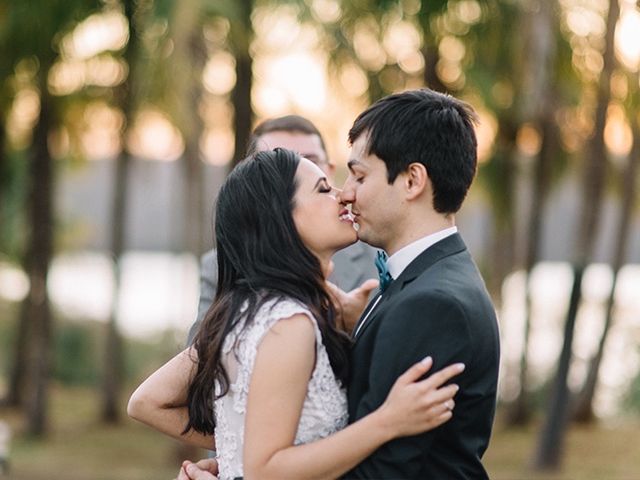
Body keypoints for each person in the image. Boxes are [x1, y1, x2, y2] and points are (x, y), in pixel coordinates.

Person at [128, 148, 464, 479]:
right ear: (281, 219)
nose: (343, 195)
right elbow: (267, 470)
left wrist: (236, 457)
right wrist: (388, 421)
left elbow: (147, 401)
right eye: (323, 189)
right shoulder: (288, 323)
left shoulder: (247, 310)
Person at [337, 89, 500, 478]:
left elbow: (380, 472)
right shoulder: (427, 279)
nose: (345, 192)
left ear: (412, 180)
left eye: (359, 175)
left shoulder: (432, 304)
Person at [187, 116, 378, 344]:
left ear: (329, 168)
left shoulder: (380, 255)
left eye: (310, 161)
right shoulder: (285, 322)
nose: (289, 169)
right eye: (273, 161)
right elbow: (201, 359)